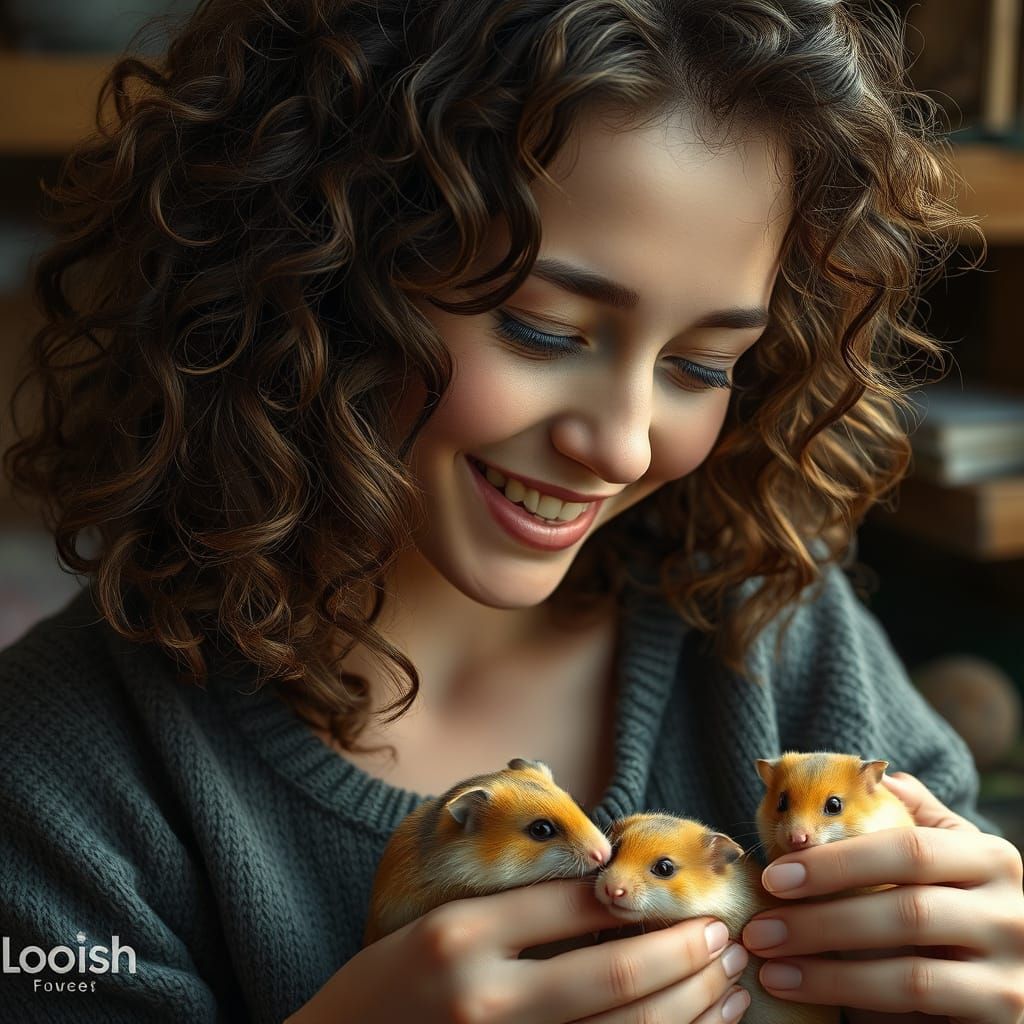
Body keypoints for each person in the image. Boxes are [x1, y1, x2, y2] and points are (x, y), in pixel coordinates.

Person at [1, 0, 1021, 1021]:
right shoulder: (61, 770)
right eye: (543, 330)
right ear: (314, 275)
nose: (620, 443)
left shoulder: (776, 637)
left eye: (703, 364)